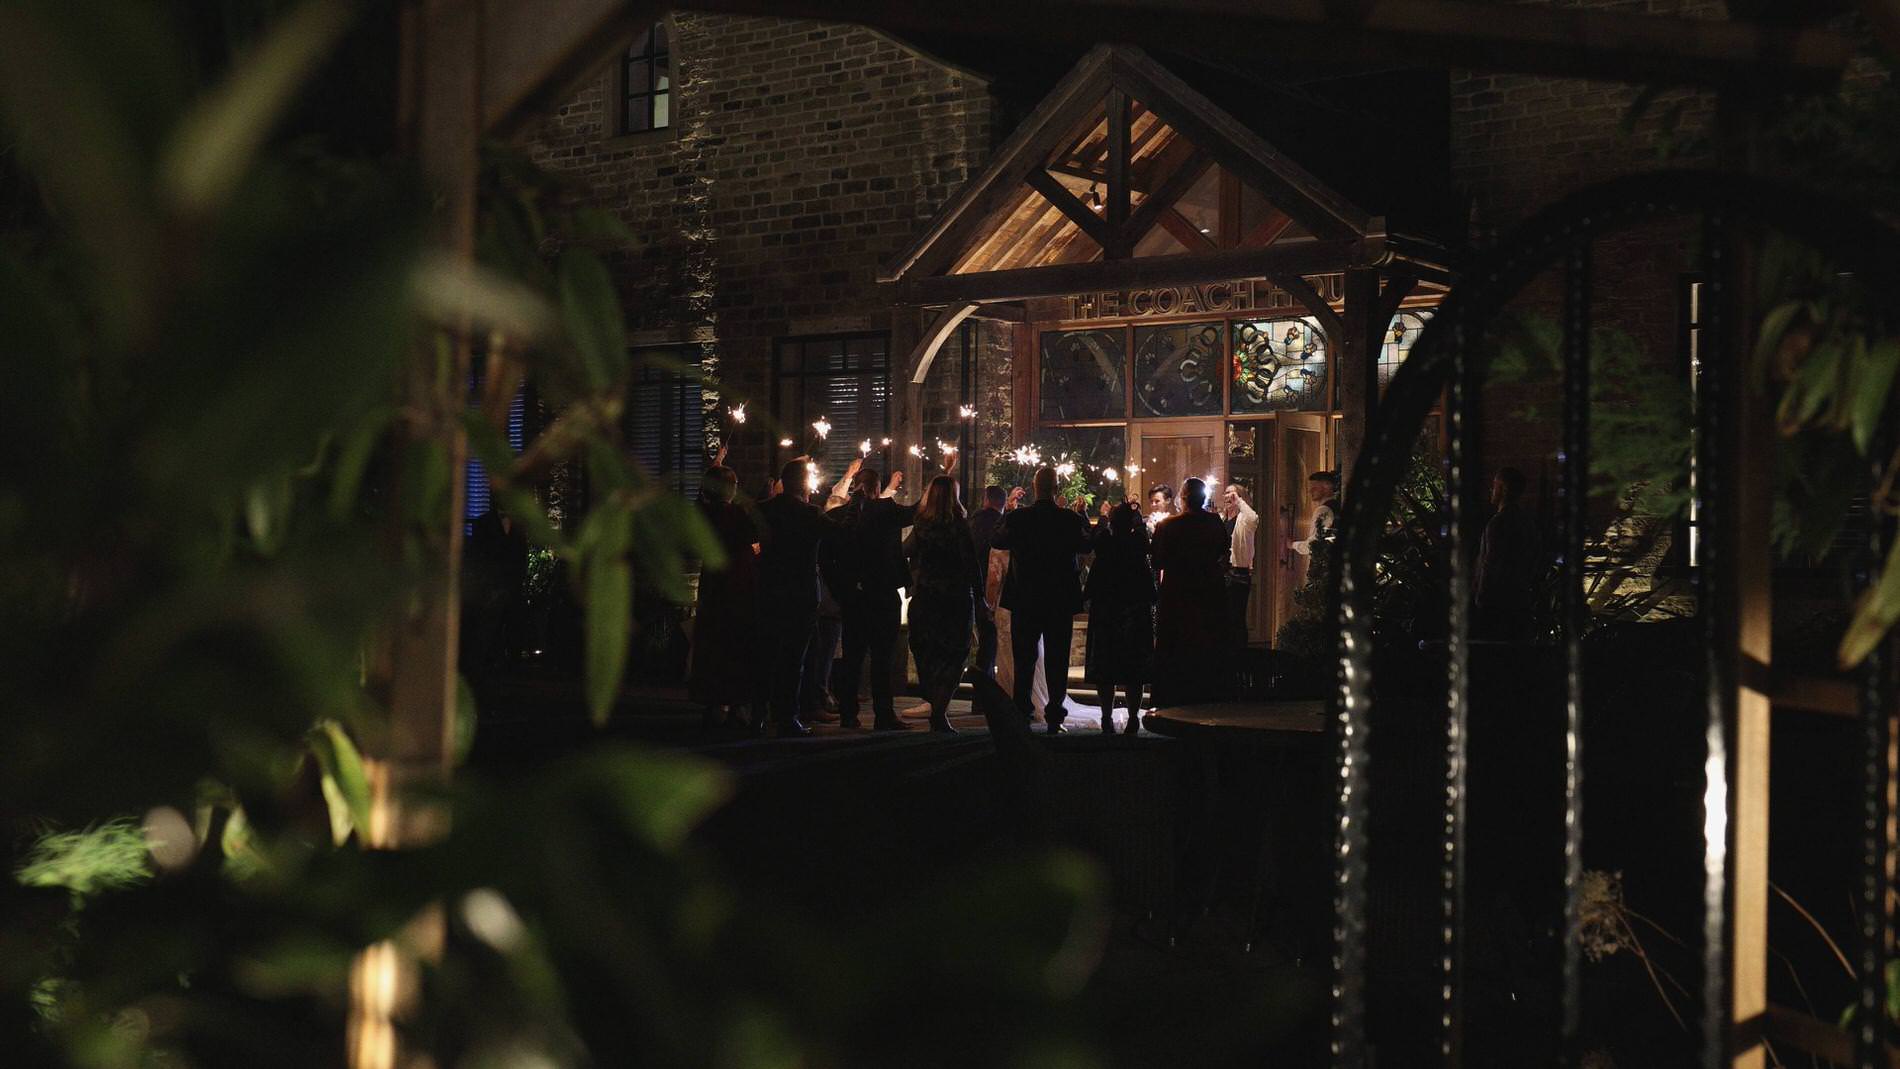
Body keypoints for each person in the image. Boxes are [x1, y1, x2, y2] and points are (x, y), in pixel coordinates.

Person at [827, 463, 930, 730]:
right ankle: (883, 715)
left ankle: (849, 715)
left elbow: (826, 557)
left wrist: (839, 589)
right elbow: (916, 511)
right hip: (882, 595)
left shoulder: (838, 516)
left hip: (853, 598)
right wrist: (937, 480)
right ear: (875, 488)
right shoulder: (886, 511)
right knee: (882, 659)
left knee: (852, 658)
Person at [995, 465, 1092, 732]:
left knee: (1024, 659)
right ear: (1056, 488)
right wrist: (1082, 515)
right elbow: (1087, 544)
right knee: (1057, 659)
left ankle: (1022, 711)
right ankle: (1054, 714)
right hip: (1058, 599)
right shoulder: (1068, 520)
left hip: (1025, 597)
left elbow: (997, 540)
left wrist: (1008, 512)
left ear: (1035, 488)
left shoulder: (1019, 519)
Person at [755, 459, 839, 737]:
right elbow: (839, 534)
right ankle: (787, 716)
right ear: (803, 483)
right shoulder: (810, 514)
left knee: (765, 654)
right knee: (793, 659)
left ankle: (758, 714)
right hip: (800, 594)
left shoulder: (763, 510)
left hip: (768, 590)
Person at [688, 466, 763, 732]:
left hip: (713, 585)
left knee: (713, 644)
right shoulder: (735, 514)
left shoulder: (703, 513)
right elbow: (755, 538)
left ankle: (713, 705)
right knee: (736, 645)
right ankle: (736, 707)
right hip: (737, 585)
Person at [905, 475, 980, 733]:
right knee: (954, 653)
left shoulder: (921, 526)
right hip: (955, 599)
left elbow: (904, 550)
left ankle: (935, 705)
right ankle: (939, 710)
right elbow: (971, 565)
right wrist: (980, 599)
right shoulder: (959, 526)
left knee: (927, 650)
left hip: (926, 596)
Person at [1150, 478, 1231, 706]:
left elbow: (1157, 561)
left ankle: (1171, 697)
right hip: (1209, 592)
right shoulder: (1214, 522)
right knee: (1206, 645)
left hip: (1178, 593)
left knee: (1176, 647)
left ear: (1183, 498)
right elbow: (1223, 552)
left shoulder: (1167, 526)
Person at [1085, 501, 1155, 734]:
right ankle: (1133, 716)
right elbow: (1145, 543)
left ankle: (1107, 716)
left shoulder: (1106, 542)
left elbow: (1095, 539)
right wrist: (1138, 522)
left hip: (1107, 609)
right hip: (1134, 609)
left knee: (1106, 666)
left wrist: (1103, 520)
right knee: (1133, 667)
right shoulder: (1137, 543)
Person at [461, 501, 529, 680]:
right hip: (491, 589)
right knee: (487, 631)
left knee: (514, 628)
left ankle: (512, 669)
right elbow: (478, 557)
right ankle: (483, 672)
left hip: (512, 587)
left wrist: (517, 582)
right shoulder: (483, 523)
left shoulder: (519, 524)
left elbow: (522, 555)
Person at [1474, 466, 1541, 640]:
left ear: (1503, 489)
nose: (1491, 490)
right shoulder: (1527, 522)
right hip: (1521, 599)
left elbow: (1490, 565)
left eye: (1494, 486)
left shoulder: (1497, 524)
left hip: (1497, 605)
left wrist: (1481, 599)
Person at [967, 484, 1008, 679]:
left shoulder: (974, 522)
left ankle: (981, 692)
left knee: (983, 640)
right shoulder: (1001, 526)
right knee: (989, 642)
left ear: (986, 500)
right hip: (994, 589)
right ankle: (985, 690)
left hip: (972, 584)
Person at [1220, 483, 1260, 656]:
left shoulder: (1245, 519)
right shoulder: (1222, 519)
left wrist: (1240, 501)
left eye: (1233, 494)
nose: (1229, 496)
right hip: (1221, 573)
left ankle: (1239, 657)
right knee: (1223, 618)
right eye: (1226, 493)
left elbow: (1254, 517)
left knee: (1236, 618)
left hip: (1238, 574)